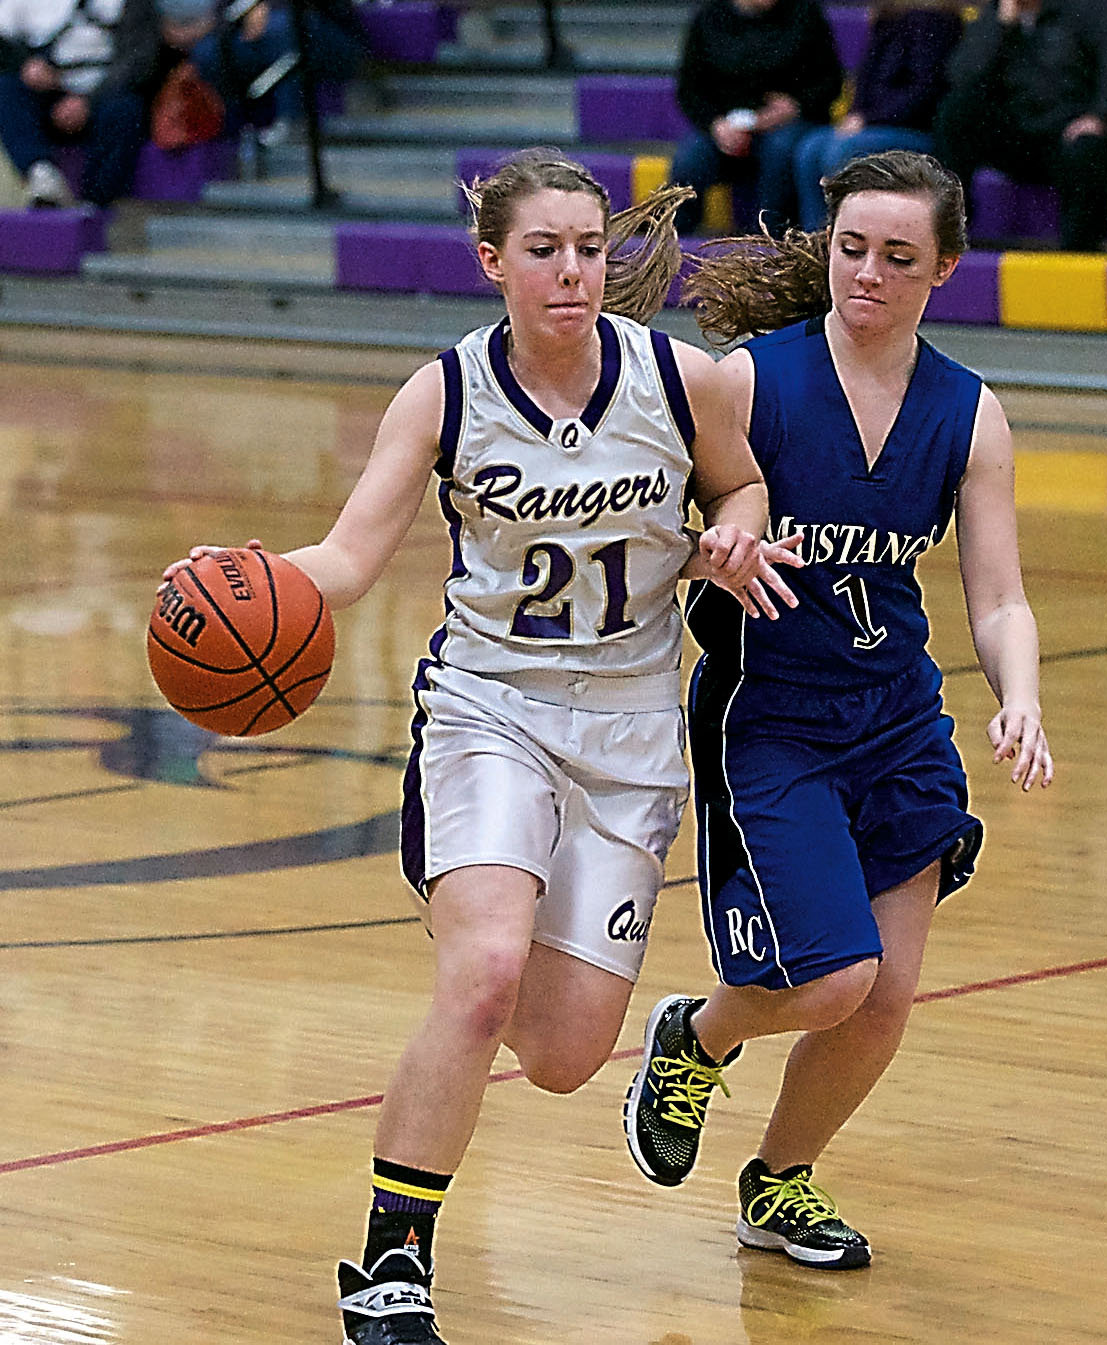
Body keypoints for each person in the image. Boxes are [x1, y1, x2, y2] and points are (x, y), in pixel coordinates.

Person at [161, 148, 801, 1344]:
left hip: (627, 734)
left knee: (562, 1054)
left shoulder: (684, 379)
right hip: (490, 710)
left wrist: (733, 535)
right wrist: (230, 575)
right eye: (545, 250)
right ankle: (389, 1264)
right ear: (491, 262)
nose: (572, 272)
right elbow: (346, 561)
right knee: (483, 976)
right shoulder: (444, 394)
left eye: (589, 248)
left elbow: (744, 487)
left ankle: (509, 957)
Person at [623, 149, 1054, 1269]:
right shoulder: (751, 384)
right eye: (851, 248)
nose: (866, 273)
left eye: (896, 257)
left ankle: (779, 1183)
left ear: (942, 269)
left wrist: (1022, 699)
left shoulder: (968, 413)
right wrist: (710, 551)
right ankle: (694, 1036)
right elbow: (657, 539)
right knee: (831, 973)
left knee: (884, 995)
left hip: (898, 720)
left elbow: (998, 595)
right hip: (771, 717)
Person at [930, 0, 1107, 252]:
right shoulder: (995, 15)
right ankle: (953, 233)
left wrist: (1101, 117)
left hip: (1074, 134)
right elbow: (962, 78)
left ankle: (1078, 254)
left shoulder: (1091, 9)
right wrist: (1001, 27)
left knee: (1089, 149)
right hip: (1021, 136)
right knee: (955, 113)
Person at [670, 0, 842, 237]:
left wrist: (795, 106)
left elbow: (831, 82)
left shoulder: (805, 13)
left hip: (788, 123)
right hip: (727, 125)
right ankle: (674, 241)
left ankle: (768, 242)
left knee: (780, 151)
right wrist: (716, 125)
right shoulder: (709, 17)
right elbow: (689, 90)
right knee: (690, 158)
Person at [793, 0, 964, 230]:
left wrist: (868, 120)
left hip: (916, 129)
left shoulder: (936, 21)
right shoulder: (887, 17)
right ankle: (815, 237)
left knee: (841, 150)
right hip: (873, 124)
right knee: (810, 147)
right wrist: (854, 114)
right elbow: (865, 81)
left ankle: (850, 234)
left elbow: (924, 92)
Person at [0, 0, 162, 208]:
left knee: (125, 110)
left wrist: (88, 102)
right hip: (48, 89)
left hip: (105, 91)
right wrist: (24, 65)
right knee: (7, 89)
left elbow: (139, 59)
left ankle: (97, 204)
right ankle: (41, 175)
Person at [161, 0, 367, 145]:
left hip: (328, 35)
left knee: (282, 28)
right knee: (207, 51)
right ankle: (234, 133)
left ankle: (292, 120)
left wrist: (268, 7)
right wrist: (242, 18)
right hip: (261, 35)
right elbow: (223, 14)